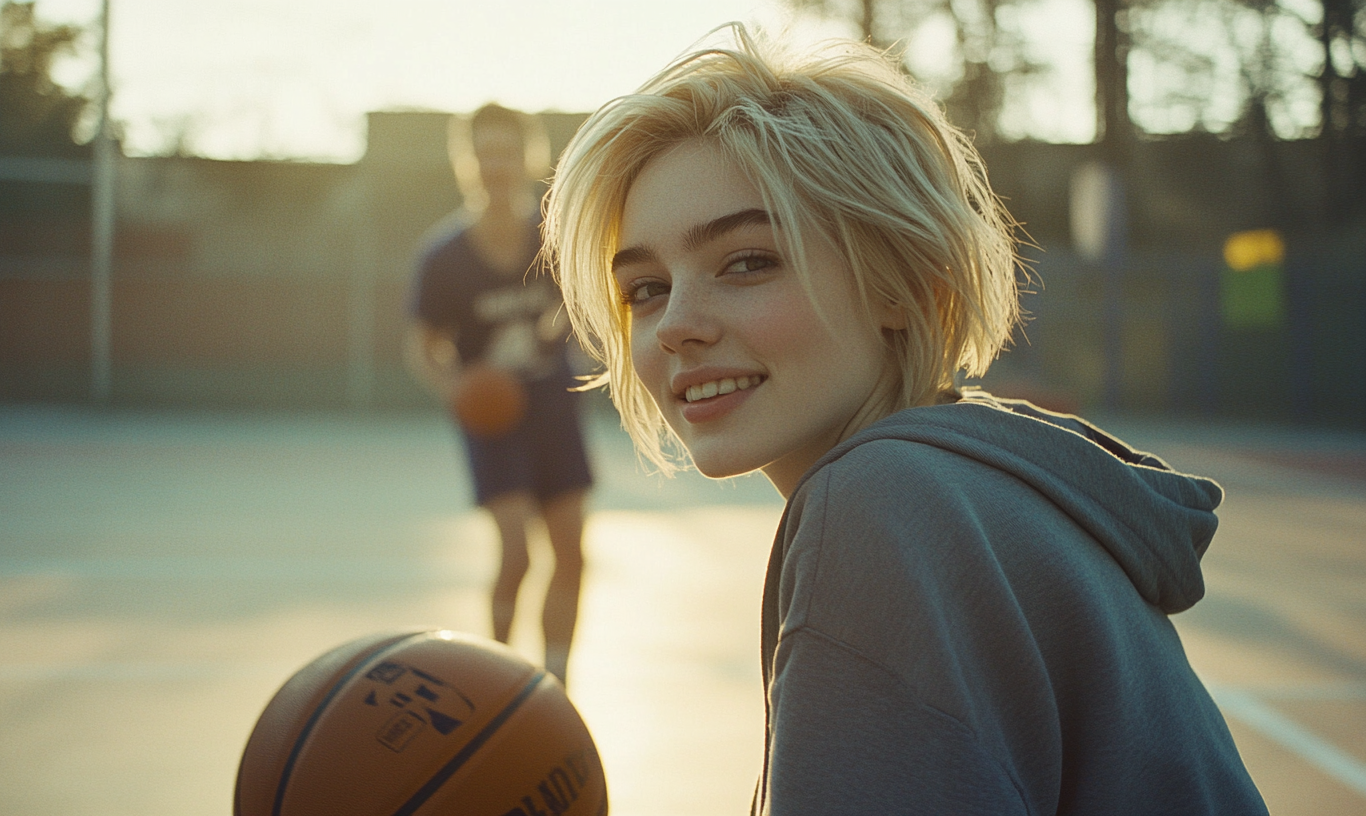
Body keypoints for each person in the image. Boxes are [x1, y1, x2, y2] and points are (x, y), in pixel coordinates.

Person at [543, 24, 1267, 814]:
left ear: (905, 285)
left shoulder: (880, 508)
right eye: (644, 288)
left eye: (747, 261)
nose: (675, 322)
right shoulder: (986, 495)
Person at [407, 102, 593, 685]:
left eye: (506, 152)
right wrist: (458, 388)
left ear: (527, 158)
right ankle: (500, 682)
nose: (496, 164)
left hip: (552, 407)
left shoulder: (555, 237)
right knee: (517, 553)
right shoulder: (443, 257)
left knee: (571, 554)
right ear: (468, 162)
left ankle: (557, 680)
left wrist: (559, 332)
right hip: (492, 419)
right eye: (484, 153)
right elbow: (422, 345)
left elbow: (581, 302)